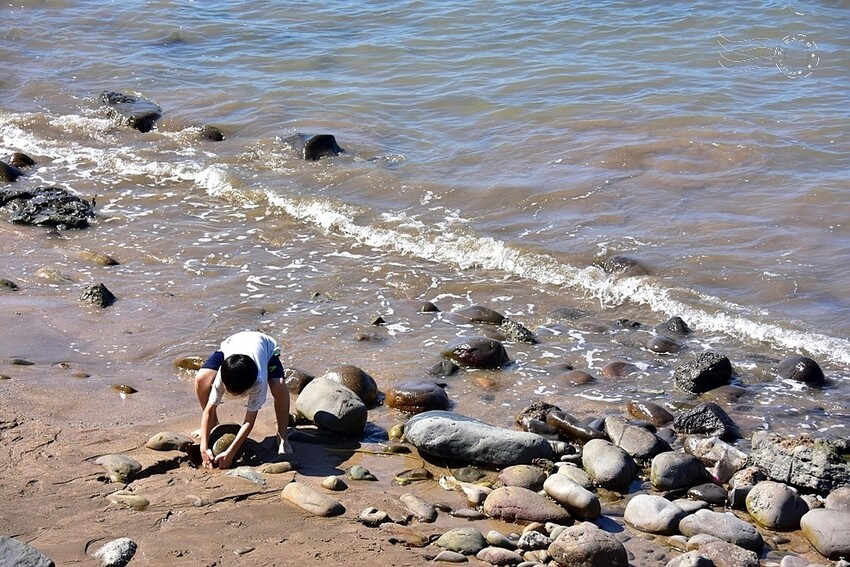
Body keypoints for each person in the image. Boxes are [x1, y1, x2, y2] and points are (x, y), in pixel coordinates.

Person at [193, 330, 293, 469]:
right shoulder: (222, 375)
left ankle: (282, 436)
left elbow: (248, 421)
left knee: (279, 385)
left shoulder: (259, 382)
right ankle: (213, 423)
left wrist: (230, 453)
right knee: (201, 379)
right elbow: (209, 411)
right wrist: (203, 447)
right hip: (233, 342)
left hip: (265, 346)